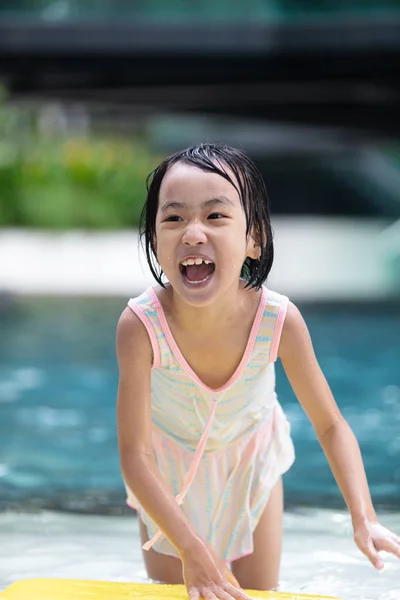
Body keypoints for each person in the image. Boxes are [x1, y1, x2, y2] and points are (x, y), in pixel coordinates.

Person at [116, 143, 400, 600]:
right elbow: (135, 455)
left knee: (260, 595)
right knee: (176, 593)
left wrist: (362, 514)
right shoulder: (141, 326)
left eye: (215, 216)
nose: (192, 233)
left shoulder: (277, 321)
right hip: (164, 476)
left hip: (253, 464)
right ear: (154, 239)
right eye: (173, 218)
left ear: (255, 238)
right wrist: (190, 547)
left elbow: (330, 424)